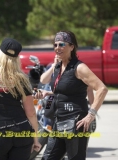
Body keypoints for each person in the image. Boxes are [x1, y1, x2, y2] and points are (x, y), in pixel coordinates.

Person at [34, 31, 108, 160]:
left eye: (62, 44)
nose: (57, 48)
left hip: (76, 124)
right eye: (55, 45)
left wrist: (91, 115)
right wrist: (48, 92)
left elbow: (102, 89)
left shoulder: (79, 68)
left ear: (72, 47)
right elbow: (65, 89)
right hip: (58, 122)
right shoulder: (58, 66)